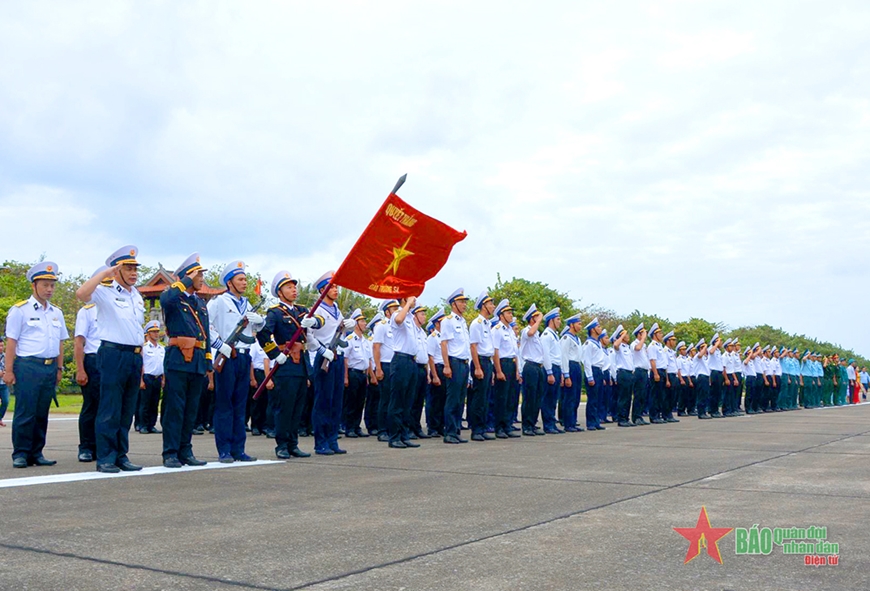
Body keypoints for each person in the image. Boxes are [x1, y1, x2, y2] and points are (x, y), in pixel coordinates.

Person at [76, 246, 146, 474]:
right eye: (128, 268)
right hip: (113, 354)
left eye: (135, 268)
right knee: (110, 408)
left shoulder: (136, 296)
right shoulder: (105, 291)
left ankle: (121, 455)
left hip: (134, 355)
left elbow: (136, 330)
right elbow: (81, 294)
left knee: (127, 410)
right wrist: (104, 274)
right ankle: (105, 457)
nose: (134, 273)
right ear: (117, 271)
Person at [5, 262, 68, 468]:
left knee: (42, 412)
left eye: (52, 285)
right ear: (34, 286)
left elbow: (60, 342)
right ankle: (21, 453)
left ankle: (36, 452)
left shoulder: (56, 312)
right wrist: (9, 370)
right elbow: (11, 342)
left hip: (49, 367)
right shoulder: (20, 310)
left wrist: (59, 368)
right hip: (28, 365)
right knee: (26, 411)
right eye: (45, 285)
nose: (49, 289)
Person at [207, 261, 264, 463]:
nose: (244, 282)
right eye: (240, 279)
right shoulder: (219, 302)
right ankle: (224, 449)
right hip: (227, 355)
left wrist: (259, 320)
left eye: (245, 279)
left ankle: (238, 449)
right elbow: (205, 324)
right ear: (229, 282)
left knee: (241, 405)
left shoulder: (246, 303)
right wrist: (219, 344)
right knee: (225, 404)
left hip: (244, 356)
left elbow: (255, 328)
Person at [158, 253, 211, 468]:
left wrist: (208, 363)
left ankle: (185, 450)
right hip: (178, 359)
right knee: (175, 408)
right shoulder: (174, 298)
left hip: (197, 359)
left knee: (191, 409)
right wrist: (184, 281)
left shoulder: (199, 303)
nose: (201, 279)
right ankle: (170, 452)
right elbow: (165, 300)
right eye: (198, 275)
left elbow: (205, 334)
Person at [256, 270, 313, 459]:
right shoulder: (275, 312)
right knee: (285, 408)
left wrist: (315, 321)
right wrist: (274, 353)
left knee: (298, 408)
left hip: (301, 365)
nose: (294, 290)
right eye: (289, 287)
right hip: (286, 365)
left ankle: (293, 443)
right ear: (280, 292)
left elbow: (318, 322)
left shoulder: (302, 311)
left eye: (295, 286)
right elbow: (263, 333)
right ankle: (281, 445)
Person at [307, 271, 355, 455]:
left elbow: (340, 335)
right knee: (323, 401)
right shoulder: (317, 310)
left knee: (336, 400)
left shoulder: (337, 310)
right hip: (324, 357)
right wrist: (321, 350)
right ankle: (321, 442)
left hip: (337, 357)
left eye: (335, 287)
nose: (335, 290)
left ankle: (332, 439)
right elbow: (309, 336)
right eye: (331, 287)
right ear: (322, 290)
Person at [73, 266, 107, 461]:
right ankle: (86, 446)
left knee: (108, 406)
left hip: (110, 360)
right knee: (91, 406)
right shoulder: (86, 311)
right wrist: (80, 369)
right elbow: (79, 341)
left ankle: (103, 445)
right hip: (93, 360)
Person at [384, 297, 422, 449]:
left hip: (412, 361)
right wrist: (406, 305)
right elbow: (399, 320)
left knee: (408, 401)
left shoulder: (411, 317)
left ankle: (404, 434)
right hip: (401, 360)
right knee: (397, 401)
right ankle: (394, 437)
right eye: (412, 297)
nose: (415, 300)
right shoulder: (397, 314)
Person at [440, 288, 472, 444]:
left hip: (464, 363)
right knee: (452, 399)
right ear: (453, 304)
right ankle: (450, 432)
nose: (464, 305)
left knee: (460, 399)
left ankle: (456, 430)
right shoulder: (448, 321)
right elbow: (444, 343)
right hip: (454, 362)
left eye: (465, 302)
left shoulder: (462, 321)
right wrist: (446, 365)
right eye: (461, 302)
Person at [519, 304, 552, 436]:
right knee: (529, 397)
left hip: (539, 367)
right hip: (530, 366)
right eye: (536, 317)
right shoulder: (526, 331)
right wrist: (538, 321)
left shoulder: (537, 333)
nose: (540, 319)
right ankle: (526, 425)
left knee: (537, 397)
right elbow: (530, 333)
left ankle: (532, 423)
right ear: (531, 319)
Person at [469, 292, 496, 441]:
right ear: (483, 306)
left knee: (485, 398)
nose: (493, 306)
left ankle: (483, 427)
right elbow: (473, 346)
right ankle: (476, 430)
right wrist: (478, 367)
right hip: (479, 361)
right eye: (490, 304)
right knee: (478, 398)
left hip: (487, 361)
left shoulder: (488, 323)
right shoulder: (477, 323)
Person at [492, 300, 521, 438]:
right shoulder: (497, 330)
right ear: (501, 315)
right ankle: (499, 427)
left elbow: (515, 352)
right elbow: (495, 351)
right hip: (502, 364)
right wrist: (498, 371)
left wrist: (516, 370)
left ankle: (508, 425)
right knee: (501, 398)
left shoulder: (510, 330)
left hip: (511, 363)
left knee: (510, 397)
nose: (511, 315)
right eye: (508, 313)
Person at [343, 308, 372, 439]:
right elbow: (345, 359)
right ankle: (349, 428)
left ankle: (357, 426)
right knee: (352, 402)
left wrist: (367, 375)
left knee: (360, 402)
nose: (365, 324)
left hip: (362, 374)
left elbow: (368, 360)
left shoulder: (365, 341)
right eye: (362, 321)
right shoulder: (350, 339)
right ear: (356, 323)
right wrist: (345, 377)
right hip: (352, 373)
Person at [372, 300, 399, 442]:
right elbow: (376, 347)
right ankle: (382, 430)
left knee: (395, 400)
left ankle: (392, 428)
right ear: (387, 312)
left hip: (396, 365)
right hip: (385, 365)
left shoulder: (398, 325)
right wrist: (378, 368)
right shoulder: (382, 326)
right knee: (385, 399)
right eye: (394, 309)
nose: (396, 311)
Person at [540, 308, 564, 434]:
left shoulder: (555, 335)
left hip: (556, 367)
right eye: (558, 319)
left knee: (554, 397)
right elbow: (546, 355)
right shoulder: (546, 335)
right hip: (550, 368)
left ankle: (552, 423)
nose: (560, 322)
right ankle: (548, 424)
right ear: (551, 321)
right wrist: (549, 372)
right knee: (548, 398)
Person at [138, 321, 165, 434]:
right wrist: (141, 380)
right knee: (145, 403)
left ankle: (151, 425)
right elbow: (140, 365)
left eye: (157, 331)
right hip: (147, 377)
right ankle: (143, 425)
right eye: (153, 332)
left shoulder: (161, 348)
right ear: (147, 334)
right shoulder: (144, 348)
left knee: (154, 403)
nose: (156, 334)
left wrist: (163, 379)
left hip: (158, 377)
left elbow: (163, 365)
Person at [581, 317, 607, 431]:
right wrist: (590, 377)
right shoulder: (589, 343)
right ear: (592, 330)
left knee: (599, 398)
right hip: (593, 370)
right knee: (592, 399)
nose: (600, 328)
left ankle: (596, 421)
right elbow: (586, 361)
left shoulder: (598, 343)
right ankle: (590, 422)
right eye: (598, 327)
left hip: (599, 371)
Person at [409, 304, 430, 439]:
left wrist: (427, 373)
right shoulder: (411, 330)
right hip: (414, 367)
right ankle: (409, 428)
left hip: (422, 368)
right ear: (415, 315)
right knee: (412, 399)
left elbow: (425, 354)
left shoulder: (423, 333)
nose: (424, 316)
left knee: (419, 400)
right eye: (421, 314)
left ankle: (416, 427)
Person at [425, 311, 447, 438]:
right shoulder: (432, 337)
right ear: (437, 323)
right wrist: (434, 375)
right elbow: (431, 358)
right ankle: (432, 427)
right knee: (435, 401)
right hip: (437, 369)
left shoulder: (444, 337)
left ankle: (440, 426)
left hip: (445, 369)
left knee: (443, 399)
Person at [630, 324, 649, 426]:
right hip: (638, 371)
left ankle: (640, 416)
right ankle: (635, 417)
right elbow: (637, 348)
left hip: (644, 372)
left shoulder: (644, 346)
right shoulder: (634, 343)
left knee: (643, 396)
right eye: (643, 333)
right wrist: (643, 339)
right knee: (638, 395)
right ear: (639, 334)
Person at [692, 339, 712, 419]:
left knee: (705, 395)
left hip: (706, 377)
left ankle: (704, 411)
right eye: (703, 348)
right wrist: (705, 346)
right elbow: (700, 355)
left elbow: (708, 370)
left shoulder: (706, 358)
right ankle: (701, 413)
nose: (705, 349)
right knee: (701, 395)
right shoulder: (698, 356)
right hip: (701, 377)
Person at [0, 338, 8, 427]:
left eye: (2, 345)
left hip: (3, 383)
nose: (1, 348)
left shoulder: (5, 356)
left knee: (5, 401)